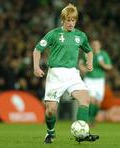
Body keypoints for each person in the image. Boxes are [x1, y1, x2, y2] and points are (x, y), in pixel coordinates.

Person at [33, 4, 99, 144]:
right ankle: (50, 132)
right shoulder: (53, 34)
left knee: (85, 98)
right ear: (62, 20)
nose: (71, 23)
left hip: (72, 74)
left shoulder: (80, 36)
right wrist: (36, 67)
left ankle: (83, 133)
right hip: (55, 75)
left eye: (73, 20)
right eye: (68, 20)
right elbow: (37, 50)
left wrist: (90, 62)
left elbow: (88, 51)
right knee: (50, 111)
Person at [79, 39, 112, 125]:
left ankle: (93, 118)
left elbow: (109, 67)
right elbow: (81, 64)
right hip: (89, 79)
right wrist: (83, 69)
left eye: (97, 45)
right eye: (93, 45)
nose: (95, 46)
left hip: (100, 80)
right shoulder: (87, 53)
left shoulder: (103, 54)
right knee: (92, 100)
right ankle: (89, 120)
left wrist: (103, 64)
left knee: (98, 102)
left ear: (100, 46)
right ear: (91, 46)